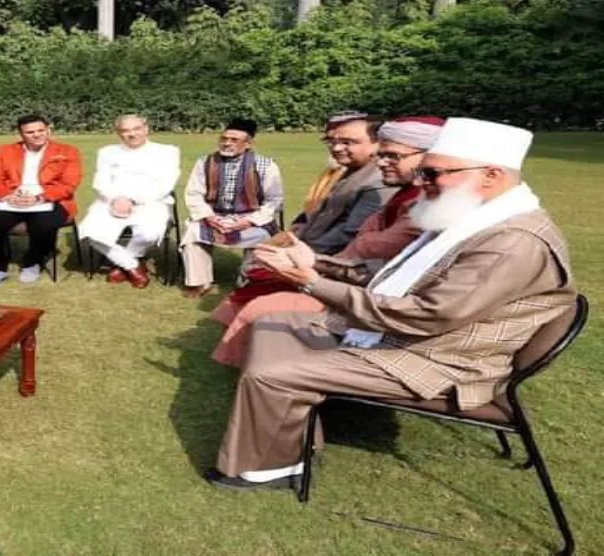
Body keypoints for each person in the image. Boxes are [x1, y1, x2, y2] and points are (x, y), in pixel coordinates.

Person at [205, 118, 576, 491]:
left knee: (274, 372)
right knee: (272, 325)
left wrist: (313, 282)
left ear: (491, 175)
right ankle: (291, 438)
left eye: (432, 173)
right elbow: (393, 278)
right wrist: (316, 262)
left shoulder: (511, 241)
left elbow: (425, 315)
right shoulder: (477, 217)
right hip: (422, 340)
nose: (421, 183)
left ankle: (271, 468)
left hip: (442, 361)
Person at [208, 116, 445, 367]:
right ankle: (247, 357)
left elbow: (359, 243)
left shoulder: (399, 193)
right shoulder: (387, 185)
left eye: (392, 156)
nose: (382, 162)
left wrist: (308, 263)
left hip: (360, 290)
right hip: (337, 269)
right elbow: (323, 219)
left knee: (263, 302)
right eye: (332, 141)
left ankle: (257, 367)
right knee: (258, 273)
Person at [179, 118, 284, 297]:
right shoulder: (205, 161)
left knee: (263, 236)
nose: (227, 143)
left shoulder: (266, 165)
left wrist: (248, 222)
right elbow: (194, 194)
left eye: (234, 140)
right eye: (224, 139)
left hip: (250, 218)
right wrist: (209, 217)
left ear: (248, 143)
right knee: (193, 231)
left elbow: (274, 200)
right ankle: (199, 283)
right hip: (214, 216)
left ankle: (248, 281)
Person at [0, 114, 83, 286]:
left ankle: (32, 262)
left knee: (44, 224)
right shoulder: (5, 151)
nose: (37, 135)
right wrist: (7, 195)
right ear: (21, 135)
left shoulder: (67, 151)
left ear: (48, 129)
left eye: (41, 130)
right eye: (30, 132)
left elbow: (69, 183)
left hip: (51, 200)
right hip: (13, 198)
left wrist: (39, 198)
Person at [78, 114, 180, 289]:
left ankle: (122, 264)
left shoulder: (167, 151)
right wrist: (116, 198)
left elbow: (167, 183)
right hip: (112, 201)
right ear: (118, 133)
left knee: (150, 233)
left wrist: (133, 200)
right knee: (90, 232)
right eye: (125, 131)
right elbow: (100, 182)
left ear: (146, 129)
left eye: (136, 129)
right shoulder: (107, 152)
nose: (132, 134)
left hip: (151, 202)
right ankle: (131, 265)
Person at [291, 113, 394, 255]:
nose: (336, 148)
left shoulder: (379, 182)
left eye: (347, 142)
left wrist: (300, 254)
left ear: (378, 143)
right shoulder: (350, 170)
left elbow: (349, 235)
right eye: (332, 141)